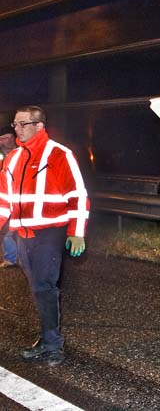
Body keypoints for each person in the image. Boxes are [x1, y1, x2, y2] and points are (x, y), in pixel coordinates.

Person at [0, 106, 90, 366]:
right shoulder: (13, 158)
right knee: (36, 287)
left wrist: (77, 232)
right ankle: (46, 339)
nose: (16, 129)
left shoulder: (59, 154)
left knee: (44, 287)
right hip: (22, 234)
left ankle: (53, 345)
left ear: (39, 126)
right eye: (14, 125)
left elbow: (78, 196)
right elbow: (4, 200)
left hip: (49, 233)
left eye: (22, 124)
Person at [0, 124, 17, 267]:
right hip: (3, 197)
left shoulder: (20, 152)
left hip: (17, 196)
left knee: (11, 229)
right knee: (7, 229)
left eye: (11, 137)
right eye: (5, 138)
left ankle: (12, 258)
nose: (9, 140)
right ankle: (11, 258)